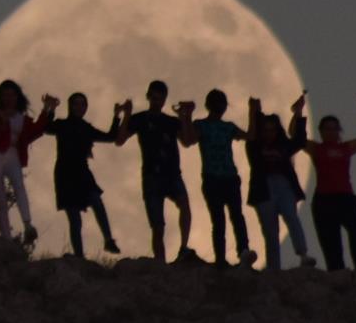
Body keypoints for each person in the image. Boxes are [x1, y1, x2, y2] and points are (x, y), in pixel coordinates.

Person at [116, 80, 194, 262]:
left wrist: (186, 116)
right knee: (158, 226)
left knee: (185, 206)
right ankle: (161, 264)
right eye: (154, 97)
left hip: (172, 173)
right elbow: (120, 140)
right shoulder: (140, 118)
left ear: (165, 99)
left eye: (160, 98)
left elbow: (188, 141)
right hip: (152, 175)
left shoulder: (171, 121)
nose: (157, 101)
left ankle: (183, 248)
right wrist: (126, 114)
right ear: (149, 97)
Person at [178, 89, 257, 268]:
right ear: (209, 105)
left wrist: (252, 111)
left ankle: (243, 252)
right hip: (212, 178)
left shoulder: (228, 127)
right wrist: (187, 117)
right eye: (217, 102)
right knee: (219, 219)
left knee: (236, 216)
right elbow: (188, 140)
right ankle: (221, 259)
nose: (219, 106)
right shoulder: (201, 125)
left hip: (229, 177)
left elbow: (250, 136)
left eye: (222, 102)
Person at [46, 92, 123, 258]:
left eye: (83, 104)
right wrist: (50, 109)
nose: (79, 107)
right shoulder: (62, 125)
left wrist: (117, 116)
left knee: (96, 200)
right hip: (65, 174)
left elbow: (110, 137)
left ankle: (108, 239)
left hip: (82, 172)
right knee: (75, 218)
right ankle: (79, 257)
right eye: (76, 104)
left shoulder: (86, 128)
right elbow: (47, 128)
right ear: (70, 106)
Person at [246, 94, 317, 270]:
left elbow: (299, 140)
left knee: (292, 218)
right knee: (270, 230)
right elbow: (252, 136)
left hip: (284, 185)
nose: (269, 134)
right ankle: (274, 267)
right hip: (263, 188)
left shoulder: (284, 145)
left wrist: (299, 112)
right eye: (266, 130)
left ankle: (303, 255)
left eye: (272, 130)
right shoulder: (255, 147)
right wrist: (254, 112)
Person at [0, 80, 57, 242]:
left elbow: (37, 129)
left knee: (19, 186)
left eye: (12, 95)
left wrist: (48, 108)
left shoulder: (22, 119)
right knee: (0, 195)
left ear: (17, 97)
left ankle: (28, 225)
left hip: (12, 153)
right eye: (5, 95)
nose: (9, 98)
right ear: (0, 98)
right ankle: (6, 238)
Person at [304, 100, 356, 270]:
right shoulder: (316, 149)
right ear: (320, 131)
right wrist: (298, 113)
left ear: (339, 131)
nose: (330, 132)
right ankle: (337, 274)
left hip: (345, 198)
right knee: (331, 243)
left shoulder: (346, 147)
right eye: (326, 129)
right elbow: (296, 136)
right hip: (324, 200)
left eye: (334, 128)